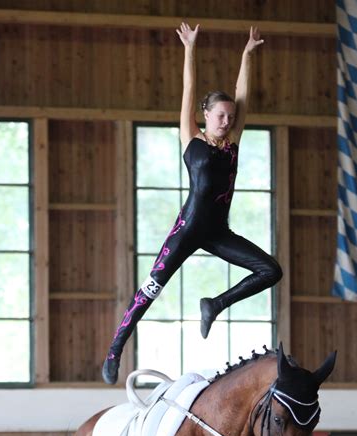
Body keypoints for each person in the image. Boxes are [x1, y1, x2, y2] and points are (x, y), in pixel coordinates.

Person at [102, 22, 282, 385]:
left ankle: (214, 305)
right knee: (150, 290)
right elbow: (188, 89)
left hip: (218, 232)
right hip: (186, 231)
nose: (227, 121)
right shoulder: (191, 137)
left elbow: (241, 94)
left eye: (230, 117)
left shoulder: (233, 141)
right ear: (205, 115)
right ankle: (114, 351)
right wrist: (189, 49)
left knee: (271, 271)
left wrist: (247, 55)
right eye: (220, 116)